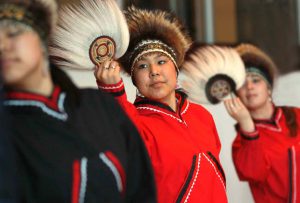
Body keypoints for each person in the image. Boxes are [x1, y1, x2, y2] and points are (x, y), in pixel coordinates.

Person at [0, 1, 156, 202]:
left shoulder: (99, 106)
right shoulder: (7, 130)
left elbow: (141, 190)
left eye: (12, 33)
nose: (2, 45)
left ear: (42, 37)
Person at [95, 6, 228, 203]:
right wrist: (112, 92)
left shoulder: (201, 115)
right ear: (134, 79)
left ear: (176, 68)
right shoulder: (137, 122)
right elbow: (122, 143)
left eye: (161, 61)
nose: (154, 71)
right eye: (142, 66)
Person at [223, 43, 300, 203]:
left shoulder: (296, 115)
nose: (250, 87)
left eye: (256, 80)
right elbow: (254, 173)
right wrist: (246, 123)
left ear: (269, 88)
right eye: (243, 84)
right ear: (238, 94)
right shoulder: (241, 142)